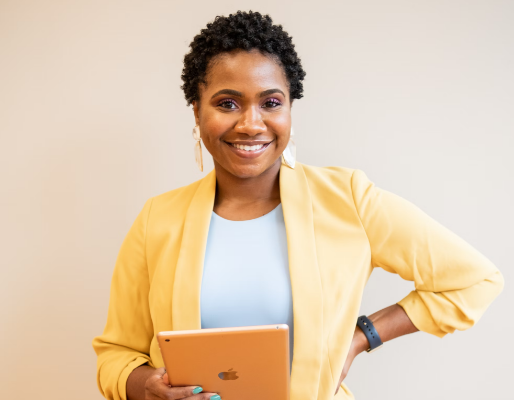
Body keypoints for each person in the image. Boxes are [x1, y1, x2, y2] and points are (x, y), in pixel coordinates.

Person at [92, 10, 505, 400]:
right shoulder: (157, 220)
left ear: (290, 109)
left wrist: (363, 336)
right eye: (227, 103)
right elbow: (115, 354)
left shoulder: (349, 199)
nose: (251, 123)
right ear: (197, 110)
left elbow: (473, 281)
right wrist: (145, 384)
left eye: (271, 102)